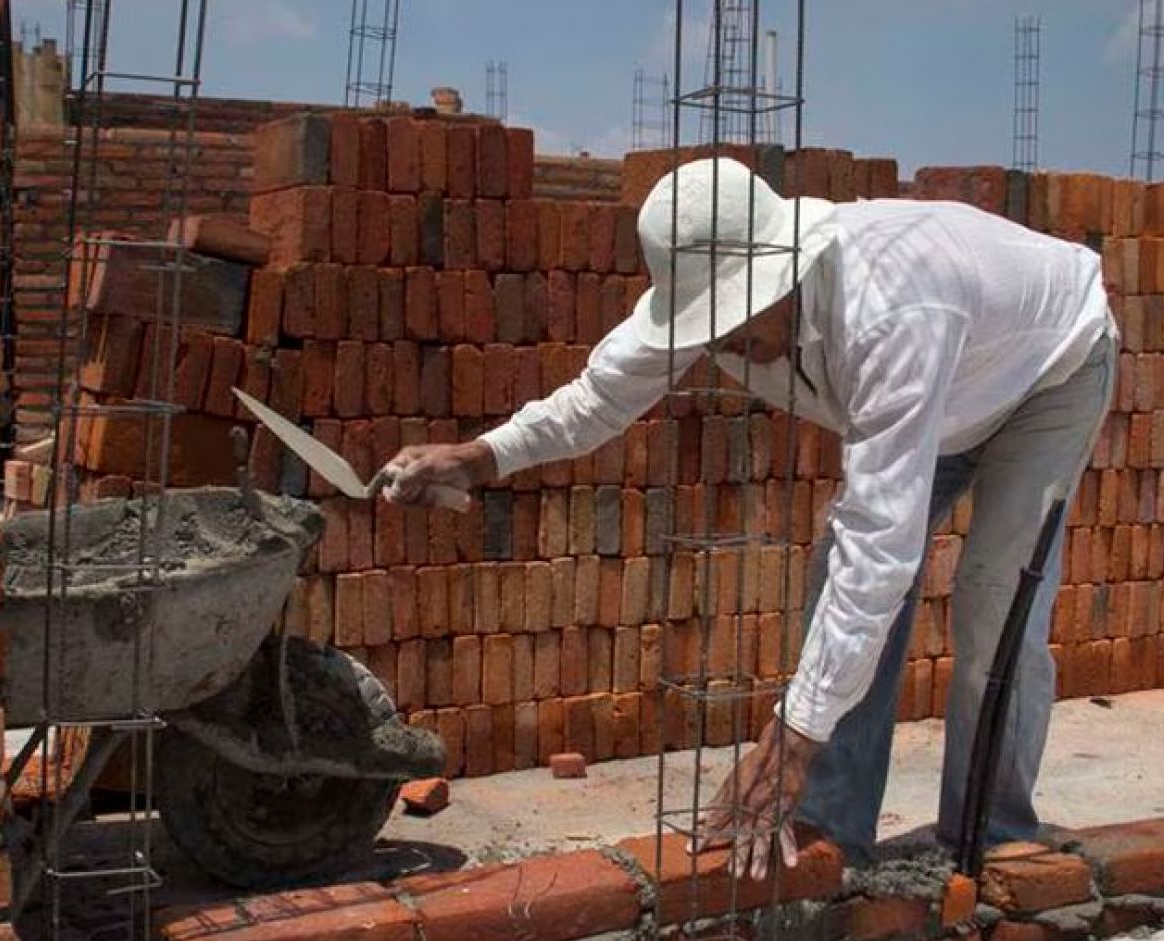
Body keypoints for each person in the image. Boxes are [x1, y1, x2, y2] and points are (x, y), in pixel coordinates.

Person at [385, 157, 1117, 880]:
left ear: (788, 271)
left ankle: (989, 837)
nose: (724, 342)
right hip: (944, 390)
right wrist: (478, 458)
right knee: (838, 570)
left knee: (996, 600)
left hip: (1046, 372)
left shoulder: (888, 311)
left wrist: (791, 737)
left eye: (735, 316)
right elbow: (598, 398)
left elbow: (882, 551)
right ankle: (832, 838)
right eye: (709, 323)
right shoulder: (717, 310)